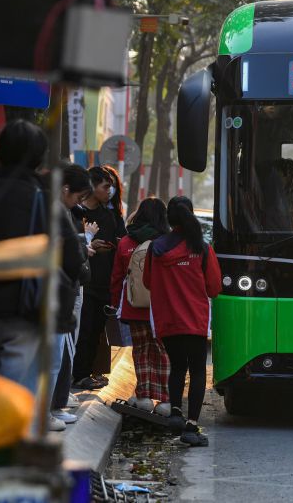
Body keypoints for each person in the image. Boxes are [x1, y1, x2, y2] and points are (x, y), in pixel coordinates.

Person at [0, 120, 84, 394]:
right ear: (38, 160)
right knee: (16, 406)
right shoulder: (47, 204)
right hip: (27, 319)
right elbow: (73, 261)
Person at [143, 196, 221, 447]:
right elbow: (214, 288)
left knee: (177, 367)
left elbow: (147, 282)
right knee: (198, 371)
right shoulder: (202, 249)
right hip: (194, 320)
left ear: (169, 218)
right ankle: (191, 426)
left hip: (167, 321)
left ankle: (175, 413)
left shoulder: (155, 248)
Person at [110, 198, 171, 414]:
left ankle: (144, 396)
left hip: (133, 307)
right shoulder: (168, 242)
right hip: (162, 309)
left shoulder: (126, 242)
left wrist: (116, 303)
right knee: (163, 352)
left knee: (141, 351)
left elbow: (117, 278)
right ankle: (164, 400)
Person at [46, 164, 94, 431]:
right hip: (49, 299)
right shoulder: (53, 212)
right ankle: (44, 413)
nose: (78, 204)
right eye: (77, 197)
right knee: (52, 360)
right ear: (65, 189)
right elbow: (73, 259)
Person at [72, 166, 126, 390]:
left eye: (112, 186)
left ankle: (86, 373)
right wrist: (88, 245)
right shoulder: (76, 213)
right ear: (92, 186)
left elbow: (121, 240)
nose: (110, 191)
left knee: (95, 331)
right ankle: (77, 374)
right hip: (83, 282)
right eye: (106, 186)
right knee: (82, 331)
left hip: (105, 281)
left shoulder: (111, 215)